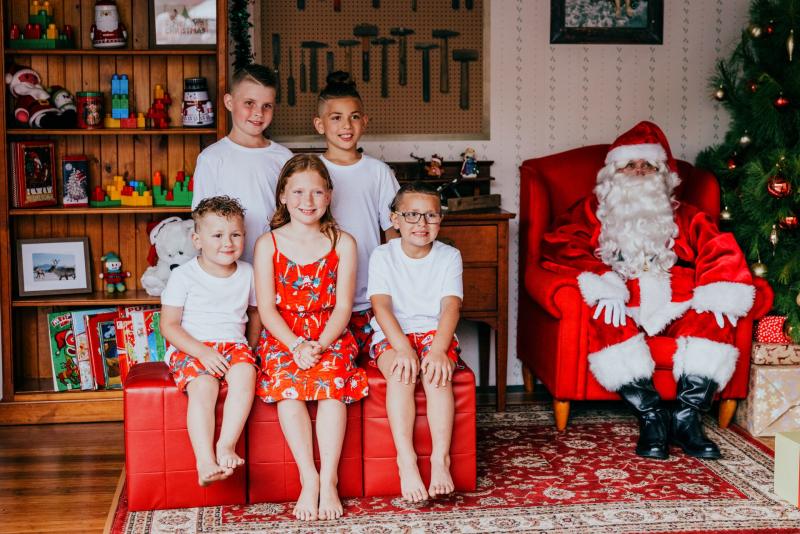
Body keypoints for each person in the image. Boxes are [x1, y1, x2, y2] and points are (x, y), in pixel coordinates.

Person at [541, 121, 755, 460]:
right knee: (604, 313)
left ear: (663, 174)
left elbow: (721, 251)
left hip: (678, 304)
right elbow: (561, 245)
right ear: (614, 173)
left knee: (715, 314)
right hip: (625, 302)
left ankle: (687, 419)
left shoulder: (688, 216)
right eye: (630, 165)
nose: (639, 172)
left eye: (648, 166)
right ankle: (652, 415)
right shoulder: (591, 212)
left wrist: (717, 289)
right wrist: (602, 280)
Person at [253, 154, 368, 521]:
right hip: (283, 336)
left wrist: (319, 343)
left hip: (329, 333)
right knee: (288, 386)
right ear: (283, 196)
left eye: (317, 192)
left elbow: (343, 308)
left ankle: (330, 479)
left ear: (330, 196)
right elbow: (267, 310)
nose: (308, 201)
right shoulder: (267, 244)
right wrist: (295, 346)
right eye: (298, 192)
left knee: (333, 385)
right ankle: (309, 477)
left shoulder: (343, 242)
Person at [368, 182, 463, 503]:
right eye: (411, 215)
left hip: (434, 334)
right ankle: (406, 460)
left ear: (440, 220)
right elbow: (381, 305)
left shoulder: (449, 256)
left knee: (437, 377)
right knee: (400, 372)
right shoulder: (383, 254)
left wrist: (438, 349)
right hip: (393, 335)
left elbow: (451, 306)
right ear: (395, 220)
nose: (421, 224)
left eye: (430, 216)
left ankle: (440, 459)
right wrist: (403, 348)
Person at [160, 196, 260, 486]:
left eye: (235, 234)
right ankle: (204, 460)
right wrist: (202, 352)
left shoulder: (248, 273)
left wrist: (249, 349)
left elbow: (255, 314)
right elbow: (169, 325)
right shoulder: (184, 276)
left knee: (245, 373)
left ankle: (226, 444)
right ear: (197, 239)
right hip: (193, 345)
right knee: (204, 386)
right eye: (217, 235)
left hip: (233, 345)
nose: (227, 242)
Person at [313, 71, 400, 358]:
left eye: (353, 116)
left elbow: (392, 233)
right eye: (336, 117)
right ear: (320, 124)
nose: (346, 125)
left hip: (368, 295)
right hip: (321, 295)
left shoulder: (378, 172)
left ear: (364, 122)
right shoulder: (310, 170)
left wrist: (389, 288)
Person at [192, 63, 293, 264]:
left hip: (277, 264)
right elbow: (202, 221)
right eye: (249, 103)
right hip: (228, 268)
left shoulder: (284, 158)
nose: (258, 113)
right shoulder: (211, 158)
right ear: (229, 102)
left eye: (267, 106)